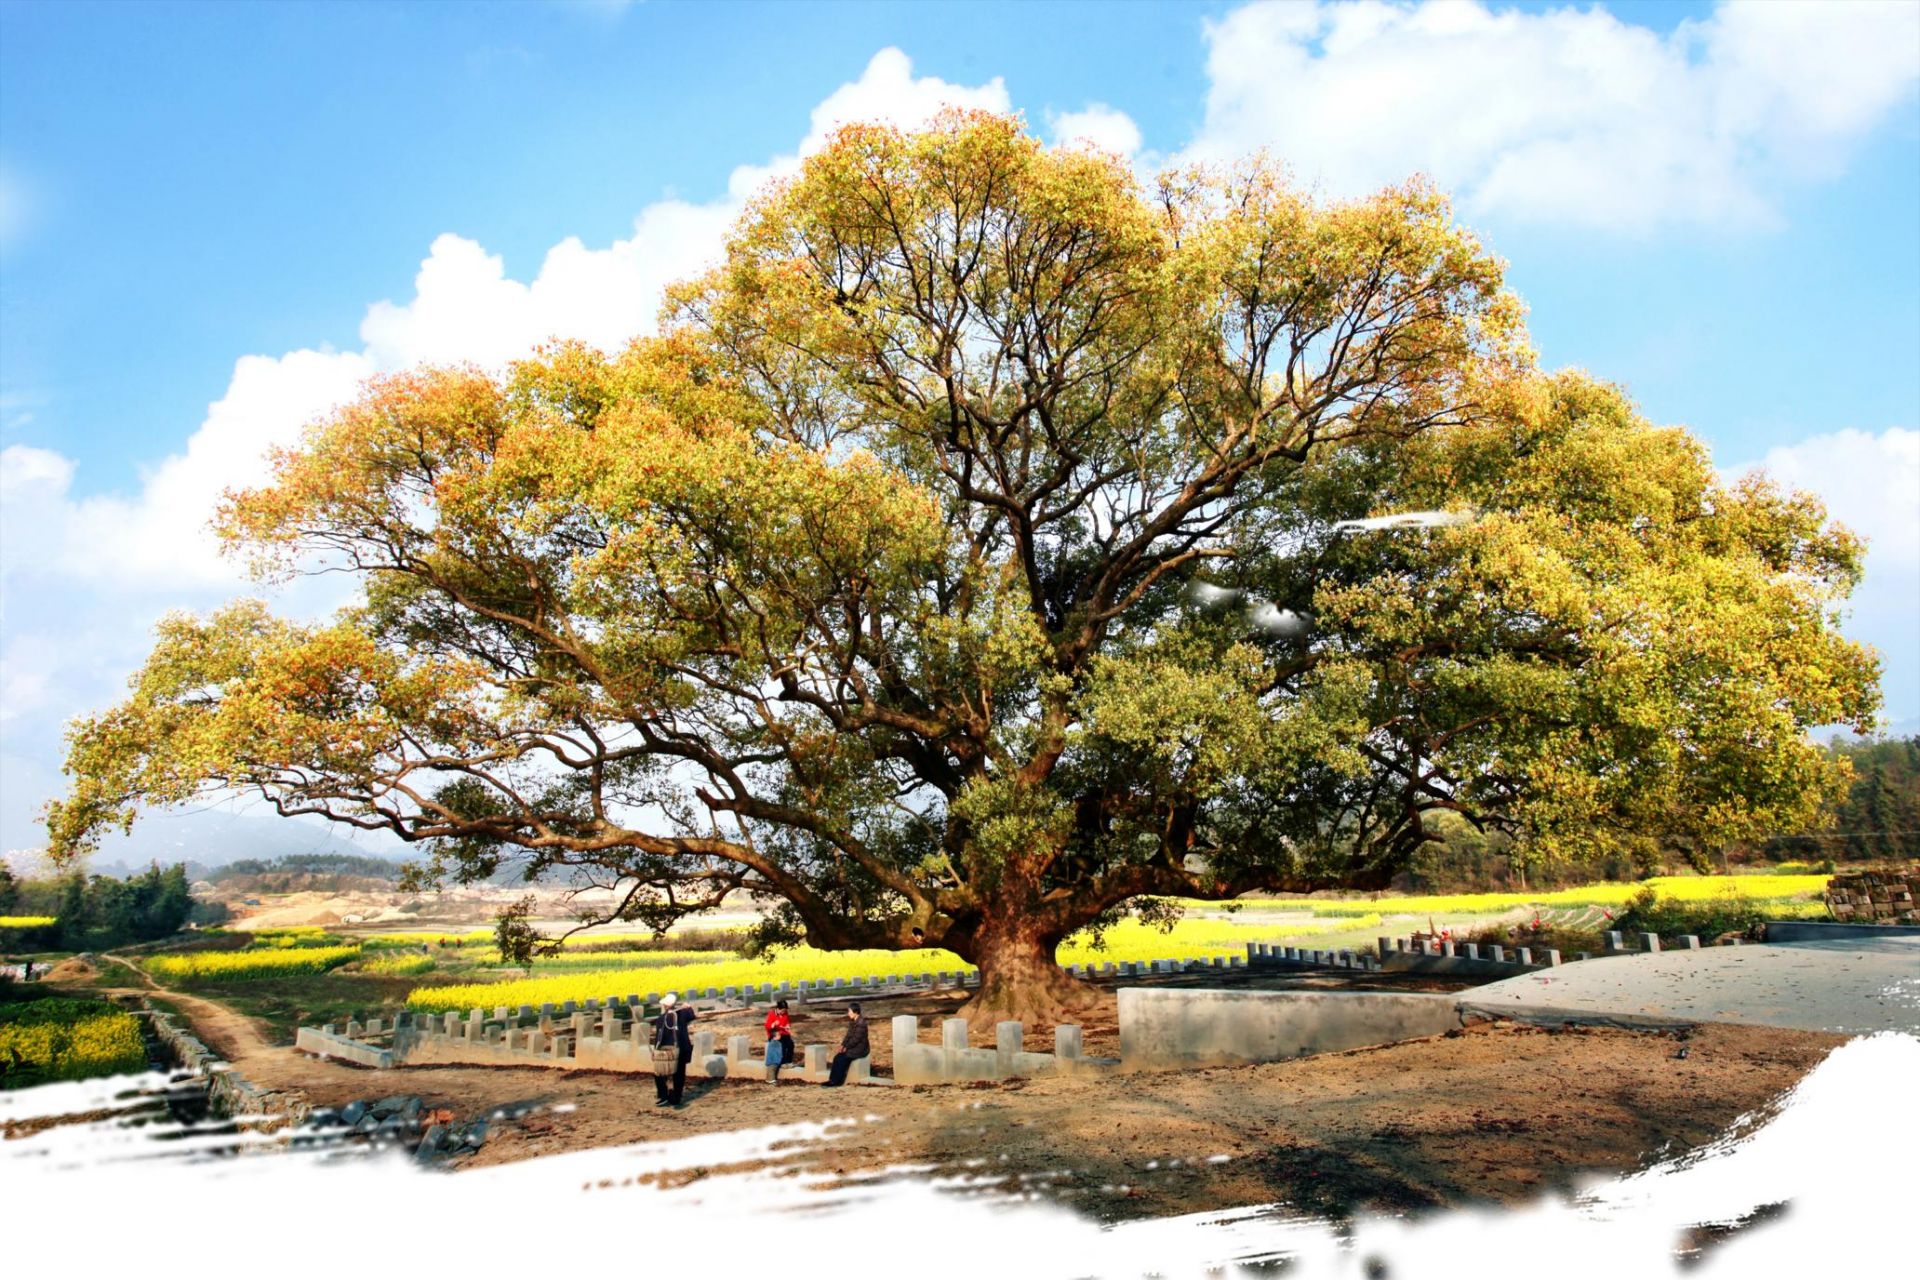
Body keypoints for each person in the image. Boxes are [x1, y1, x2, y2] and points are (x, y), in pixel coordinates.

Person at [651, 993, 697, 1107]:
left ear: (665, 1006)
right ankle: (676, 1097)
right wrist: (687, 1006)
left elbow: (658, 1037)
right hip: (680, 1049)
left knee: (660, 1073)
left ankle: (663, 1096)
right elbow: (692, 1015)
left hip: (665, 1050)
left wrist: (654, 1051)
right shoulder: (682, 1014)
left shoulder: (661, 1019)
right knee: (679, 1074)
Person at [822, 1002, 869, 1088]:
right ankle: (832, 1080)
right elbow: (848, 1035)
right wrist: (842, 1045)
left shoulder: (861, 1023)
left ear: (855, 1012)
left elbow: (856, 1039)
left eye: (849, 1011)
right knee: (837, 1057)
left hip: (860, 1049)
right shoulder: (853, 1021)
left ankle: (837, 1081)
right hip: (853, 1047)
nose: (848, 1013)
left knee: (843, 1059)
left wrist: (846, 1048)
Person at [764, 999, 794, 1083]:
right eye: (782, 1010)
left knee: (790, 1044)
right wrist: (774, 1024)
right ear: (778, 1008)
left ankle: (788, 1061)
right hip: (775, 1035)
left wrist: (787, 1026)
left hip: (783, 1033)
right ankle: (783, 1062)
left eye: (785, 1010)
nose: (783, 1012)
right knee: (782, 1045)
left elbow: (787, 1022)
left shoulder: (785, 1014)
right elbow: (767, 1026)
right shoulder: (772, 1014)